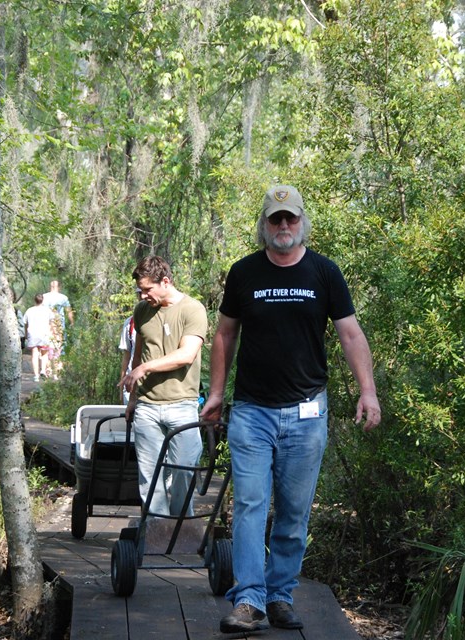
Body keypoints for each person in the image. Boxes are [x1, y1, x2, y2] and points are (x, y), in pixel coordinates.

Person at [201, 185, 381, 634]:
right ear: (264, 225)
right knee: (250, 505)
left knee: (294, 511)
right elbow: (224, 335)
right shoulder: (243, 273)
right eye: (276, 219)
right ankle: (249, 601)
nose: (284, 226)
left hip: (306, 412)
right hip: (252, 413)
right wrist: (217, 393)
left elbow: (351, 335)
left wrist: (368, 391)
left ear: (302, 223)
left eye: (291, 219)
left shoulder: (324, 273)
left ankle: (280, 596)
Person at [120, 256, 207, 517]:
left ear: (165, 281)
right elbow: (138, 356)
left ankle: (182, 527)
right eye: (140, 290)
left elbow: (186, 355)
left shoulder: (192, 309)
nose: (143, 295)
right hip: (147, 407)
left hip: (182, 405)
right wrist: (133, 399)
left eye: (147, 289)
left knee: (183, 471)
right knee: (150, 476)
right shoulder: (142, 311)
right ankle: (156, 531)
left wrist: (145, 368)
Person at [118, 288, 144, 404]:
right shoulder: (130, 323)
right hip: (131, 382)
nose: (143, 296)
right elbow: (126, 356)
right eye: (140, 293)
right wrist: (122, 382)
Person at [23, 293, 53, 382]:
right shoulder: (47, 310)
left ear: (34, 300)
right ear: (43, 300)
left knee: (34, 354)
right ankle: (43, 370)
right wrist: (50, 333)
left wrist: (26, 334)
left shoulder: (29, 310)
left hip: (33, 334)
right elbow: (51, 322)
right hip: (44, 334)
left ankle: (36, 376)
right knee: (44, 354)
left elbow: (25, 323)